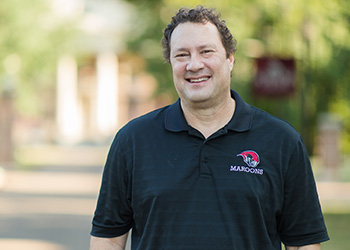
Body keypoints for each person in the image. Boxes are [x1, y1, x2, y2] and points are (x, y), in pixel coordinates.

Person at [90, 6, 329, 250]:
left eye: (206, 51)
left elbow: (303, 243)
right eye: (182, 55)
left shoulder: (281, 141)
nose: (194, 65)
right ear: (171, 63)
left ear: (230, 59)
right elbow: (108, 238)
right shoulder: (133, 140)